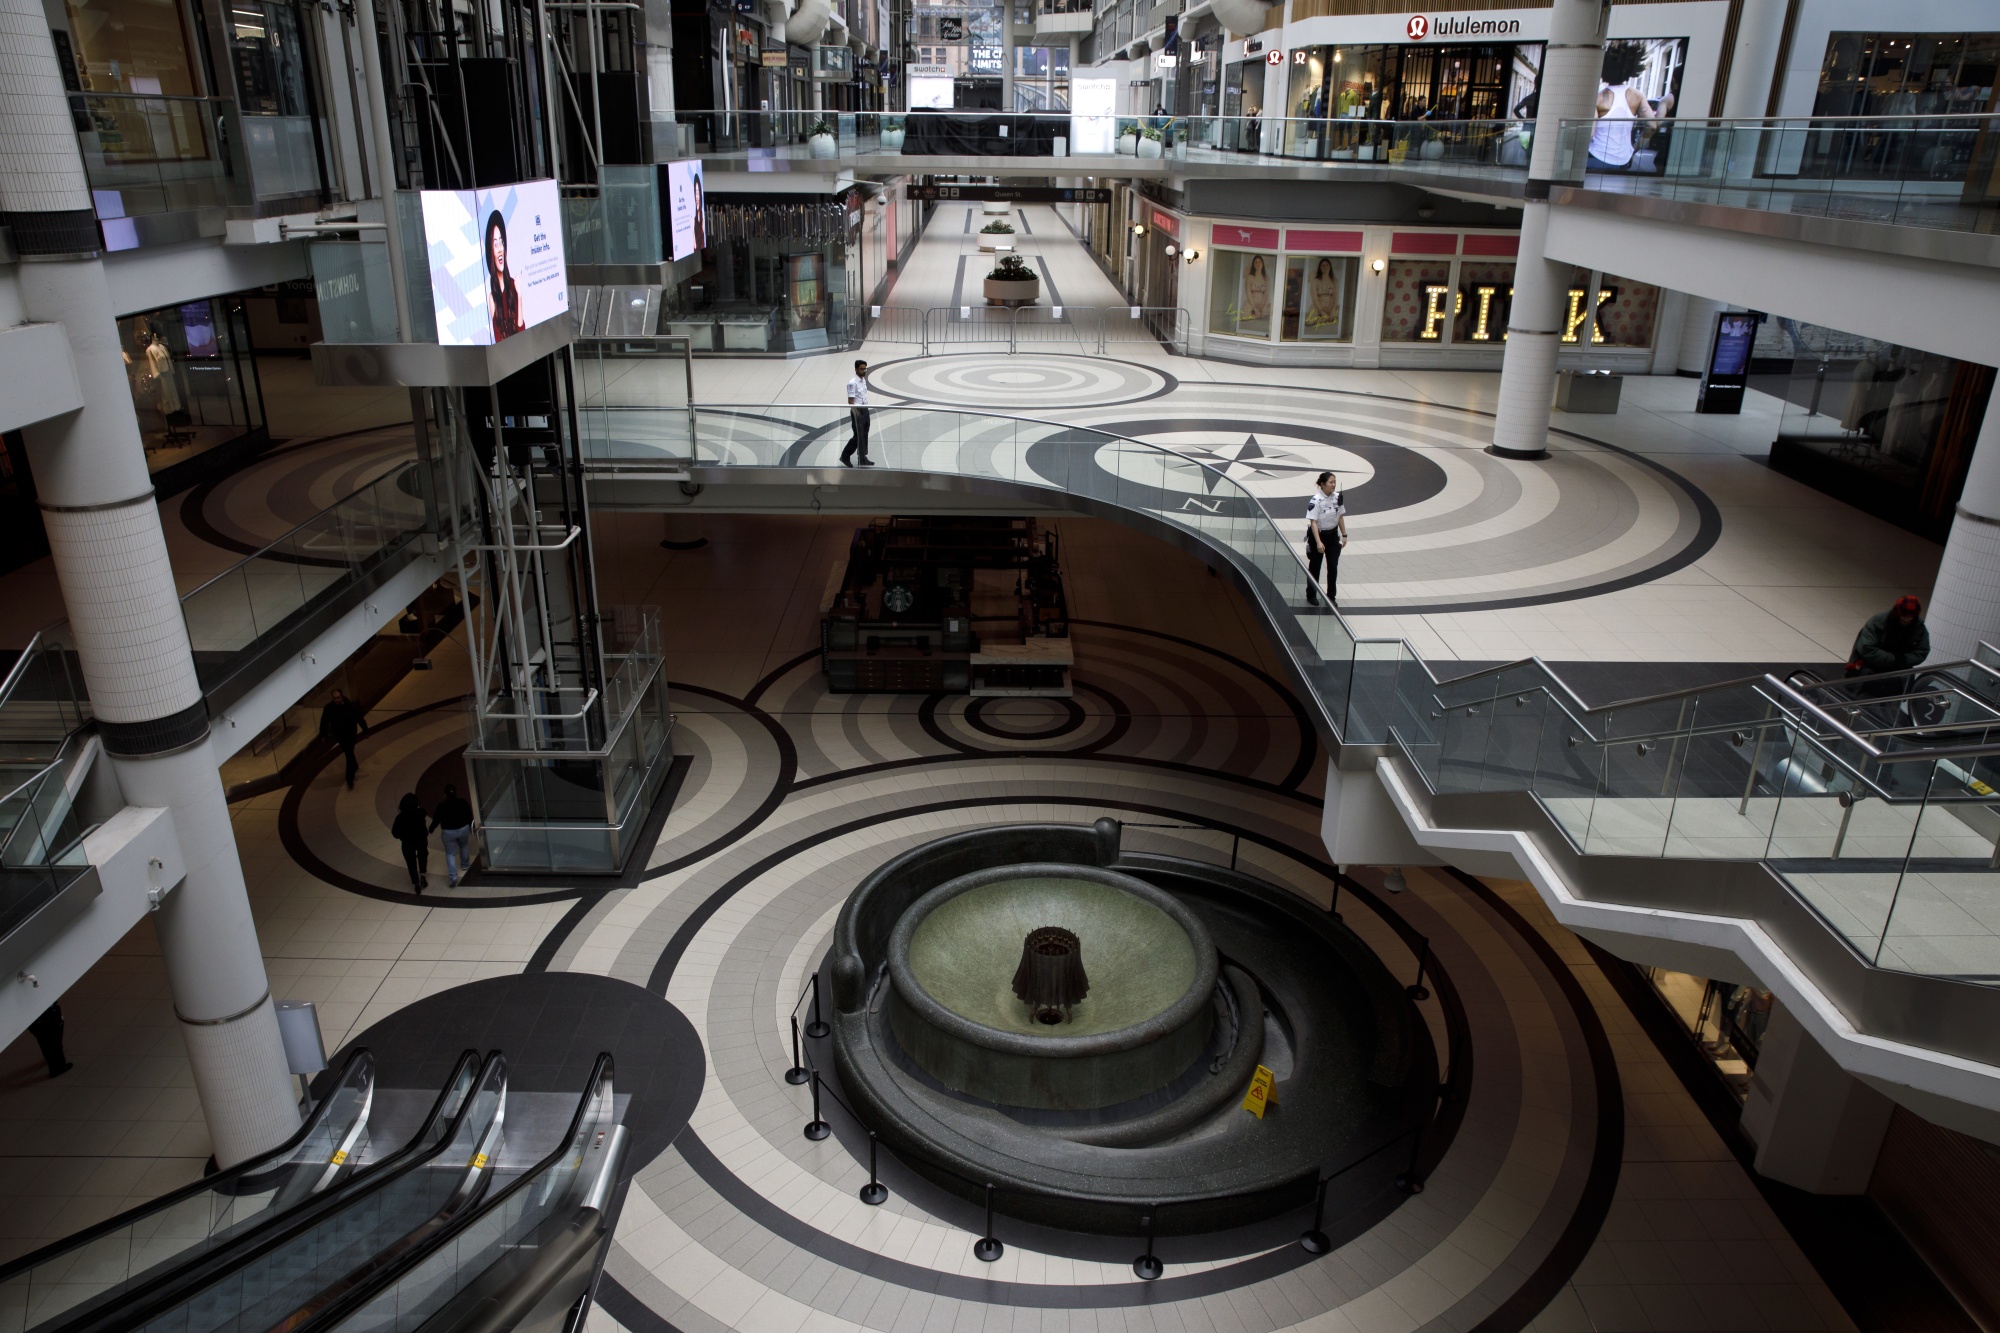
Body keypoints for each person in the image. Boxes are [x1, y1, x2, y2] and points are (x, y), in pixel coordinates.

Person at [1588, 42, 1673, 173]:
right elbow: (1651, 126)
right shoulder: (1638, 96)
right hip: (1624, 159)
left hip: (1596, 156)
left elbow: (1590, 133)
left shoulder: (1599, 98)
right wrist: (1634, 148)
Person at [1849, 596, 1930, 680]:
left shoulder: (1919, 628)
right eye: (1903, 616)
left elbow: (1922, 651)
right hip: (1870, 670)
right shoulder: (1877, 622)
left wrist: (1901, 660)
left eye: (1910, 617)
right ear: (1897, 613)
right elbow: (1866, 648)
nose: (1906, 620)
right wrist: (1896, 659)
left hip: (1899, 675)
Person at [1304, 471, 1348, 606]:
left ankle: (1331, 597)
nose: (1333, 485)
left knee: (1333, 567)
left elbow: (1340, 516)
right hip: (1319, 536)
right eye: (1331, 482)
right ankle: (1311, 594)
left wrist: (1344, 534)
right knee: (1315, 567)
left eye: (1334, 482)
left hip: (1333, 536)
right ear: (1322, 484)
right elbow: (1313, 522)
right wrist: (1318, 542)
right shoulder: (1316, 500)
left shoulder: (1337, 498)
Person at [485, 210, 525, 342]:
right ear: (491, 251)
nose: (500, 248)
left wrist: (519, 295)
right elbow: (498, 338)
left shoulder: (513, 284)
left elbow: (521, 329)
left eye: (501, 242)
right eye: (495, 244)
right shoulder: (492, 298)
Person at [319, 689, 368, 790]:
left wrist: (365, 730)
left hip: (351, 734)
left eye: (337, 698)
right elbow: (324, 722)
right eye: (334, 698)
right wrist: (323, 735)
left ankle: (350, 775)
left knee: (349, 753)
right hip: (340, 735)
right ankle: (352, 771)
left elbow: (359, 718)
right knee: (348, 752)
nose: (336, 700)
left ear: (341, 697)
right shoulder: (329, 708)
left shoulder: (350, 706)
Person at [430, 783, 476, 888]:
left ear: (445, 794)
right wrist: (471, 827)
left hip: (448, 832)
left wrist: (431, 828)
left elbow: (436, 819)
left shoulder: (442, 806)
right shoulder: (463, 803)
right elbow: (469, 816)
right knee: (464, 846)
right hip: (463, 829)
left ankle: (453, 876)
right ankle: (465, 865)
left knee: (450, 853)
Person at [391, 792, 431, 892]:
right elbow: (424, 812)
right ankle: (423, 874)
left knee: (411, 862)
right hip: (421, 840)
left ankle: (416, 882)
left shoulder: (400, 818)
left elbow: (395, 833)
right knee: (422, 856)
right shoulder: (420, 812)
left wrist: (402, 835)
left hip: (407, 842)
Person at [841, 359, 874, 466]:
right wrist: (857, 415)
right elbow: (850, 401)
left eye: (865, 369)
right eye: (861, 369)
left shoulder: (863, 380)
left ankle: (862, 457)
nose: (864, 371)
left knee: (864, 434)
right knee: (858, 435)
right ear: (856, 369)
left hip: (865, 409)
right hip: (857, 411)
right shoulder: (852, 383)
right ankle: (845, 456)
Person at [28, 1003, 71, 1078]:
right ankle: (58, 1067)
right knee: (54, 1041)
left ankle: (53, 1063)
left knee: (45, 1042)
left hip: (37, 1019)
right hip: (47, 1017)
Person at [1244, 255, 1271, 322]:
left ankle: (1259, 314)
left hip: (1262, 301)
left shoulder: (1266, 278)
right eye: (1256, 262)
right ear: (1253, 264)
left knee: (1273, 309)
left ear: (1262, 264)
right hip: (1251, 301)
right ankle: (1258, 315)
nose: (1258, 264)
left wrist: (1264, 307)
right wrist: (1255, 308)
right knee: (1243, 315)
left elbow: (1267, 294)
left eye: (1260, 262)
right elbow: (1248, 293)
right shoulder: (1249, 277)